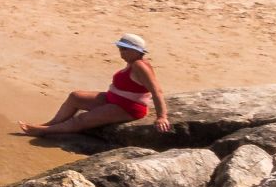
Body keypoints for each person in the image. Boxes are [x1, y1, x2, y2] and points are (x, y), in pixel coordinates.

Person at [19, 36, 169, 137]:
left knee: (81, 120)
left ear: (137, 51)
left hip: (128, 107)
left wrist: (162, 117)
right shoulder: (132, 63)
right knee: (75, 96)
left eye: (124, 49)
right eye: (120, 49)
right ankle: (50, 124)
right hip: (113, 99)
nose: (121, 53)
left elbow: (157, 91)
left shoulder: (139, 66)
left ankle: (44, 131)